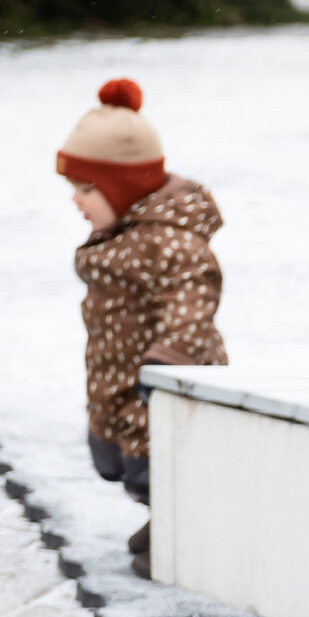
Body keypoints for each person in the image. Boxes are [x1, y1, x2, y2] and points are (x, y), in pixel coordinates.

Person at [59, 77, 227, 571]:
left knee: (160, 465)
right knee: (120, 459)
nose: (77, 200)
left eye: (87, 189)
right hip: (120, 381)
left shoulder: (169, 242)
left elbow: (193, 294)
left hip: (161, 382)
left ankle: (183, 542)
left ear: (124, 188)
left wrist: (168, 360)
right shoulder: (119, 237)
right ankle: (164, 520)